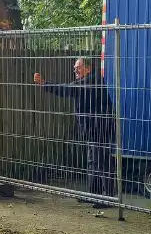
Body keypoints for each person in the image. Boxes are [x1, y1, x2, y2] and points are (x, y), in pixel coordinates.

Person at [34, 57, 115, 206]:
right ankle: (93, 194)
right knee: (92, 161)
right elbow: (69, 88)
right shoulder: (84, 82)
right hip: (92, 129)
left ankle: (107, 198)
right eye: (74, 68)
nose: (75, 71)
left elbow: (68, 89)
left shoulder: (92, 81)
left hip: (100, 128)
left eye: (78, 67)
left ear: (88, 69)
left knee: (102, 161)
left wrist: (46, 84)